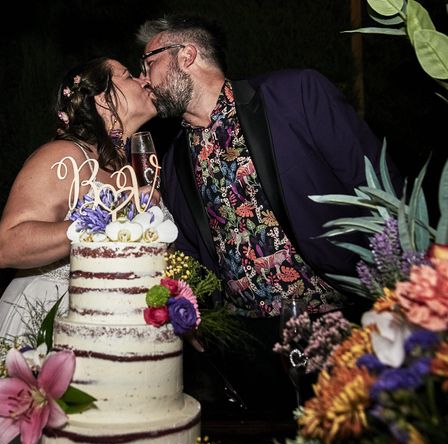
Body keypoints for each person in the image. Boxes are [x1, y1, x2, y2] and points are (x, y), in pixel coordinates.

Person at [135, 14, 402, 417]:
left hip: (336, 318)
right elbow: (187, 253)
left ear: (186, 55)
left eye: (148, 62)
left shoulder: (295, 95)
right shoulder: (173, 160)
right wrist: (196, 318)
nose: (143, 78)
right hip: (247, 340)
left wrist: (401, 293)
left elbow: (381, 190)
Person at [0, 57, 156, 390]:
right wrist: (103, 218)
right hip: (46, 322)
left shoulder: (128, 167)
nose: (145, 81)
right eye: (130, 76)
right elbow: (8, 246)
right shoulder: (64, 156)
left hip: (109, 325)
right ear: (103, 98)